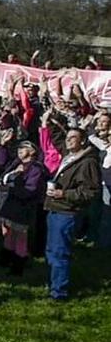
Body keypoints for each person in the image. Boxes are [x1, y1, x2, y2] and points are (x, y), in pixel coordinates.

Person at [42, 127, 101, 301]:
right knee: (52, 250)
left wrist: (64, 194)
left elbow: (90, 192)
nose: (68, 140)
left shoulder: (87, 162)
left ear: (82, 141)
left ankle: (59, 292)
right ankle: (53, 283)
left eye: (73, 137)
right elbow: (55, 136)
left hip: (67, 211)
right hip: (55, 208)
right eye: (67, 137)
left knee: (60, 252)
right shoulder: (69, 157)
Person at [0, 139, 46, 277]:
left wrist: (10, 187)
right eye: (19, 148)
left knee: (21, 236)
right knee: (9, 233)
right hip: (10, 204)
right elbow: (2, 165)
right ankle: (5, 259)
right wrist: (2, 146)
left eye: (24, 148)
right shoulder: (17, 163)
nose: (20, 150)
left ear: (32, 152)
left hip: (23, 207)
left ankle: (18, 265)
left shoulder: (35, 168)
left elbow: (30, 189)